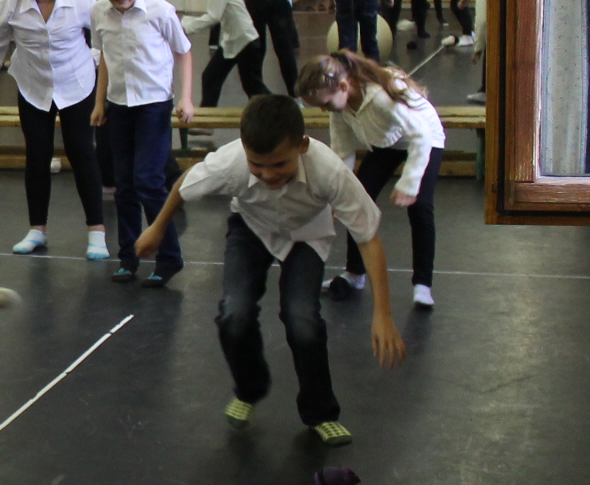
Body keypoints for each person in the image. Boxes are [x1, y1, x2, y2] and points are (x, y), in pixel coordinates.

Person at [134, 94, 405, 446]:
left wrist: (383, 314)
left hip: (307, 235)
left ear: (302, 146)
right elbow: (184, 186)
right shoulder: (231, 162)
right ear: (244, 148)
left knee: (302, 319)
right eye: (257, 165)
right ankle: (250, 389)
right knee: (234, 313)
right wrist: (157, 228)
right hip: (252, 227)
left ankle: (321, 412)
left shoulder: (329, 170)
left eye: (279, 165)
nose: (267, 174)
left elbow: (369, 239)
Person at [0, 0, 109, 260]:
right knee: (37, 155)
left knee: (82, 153)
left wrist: (99, 66)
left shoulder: (81, 0)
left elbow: (105, 36)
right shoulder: (10, 1)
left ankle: (97, 231)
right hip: (33, 85)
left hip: (76, 84)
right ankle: (37, 229)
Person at [300, 51, 447, 312]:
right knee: (355, 201)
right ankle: (354, 274)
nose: (325, 109)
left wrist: (409, 183)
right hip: (387, 142)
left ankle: (422, 285)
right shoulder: (340, 105)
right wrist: (337, 194)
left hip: (425, 138)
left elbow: (421, 136)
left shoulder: (381, 97)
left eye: (326, 103)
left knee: (420, 207)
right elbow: (343, 151)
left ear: (343, 86)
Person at [91, 0, 194, 286]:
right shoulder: (99, 12)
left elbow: (184, 52)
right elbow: (105, 57)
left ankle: (169, 257)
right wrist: (100, 102)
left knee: (148, 179)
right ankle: (129, 257)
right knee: (124, 185)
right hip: (119, 105)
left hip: (154, 105)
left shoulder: (160, 11)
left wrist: (186, 98)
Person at [190, 0, 266, 107]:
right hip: (237, 39)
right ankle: (207, 115)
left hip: (244, 40)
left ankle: (280, 110)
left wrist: (187, 27)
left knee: (252, 86)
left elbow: (213, 16)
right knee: (212, 77)